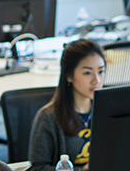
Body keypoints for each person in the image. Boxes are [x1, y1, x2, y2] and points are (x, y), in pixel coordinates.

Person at [27, 39, 105, 171]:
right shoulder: (47, 117)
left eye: (101, 71)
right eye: (87, 73)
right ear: (69, 75)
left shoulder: (107, 110)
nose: (96, 80)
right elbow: (37, 169)